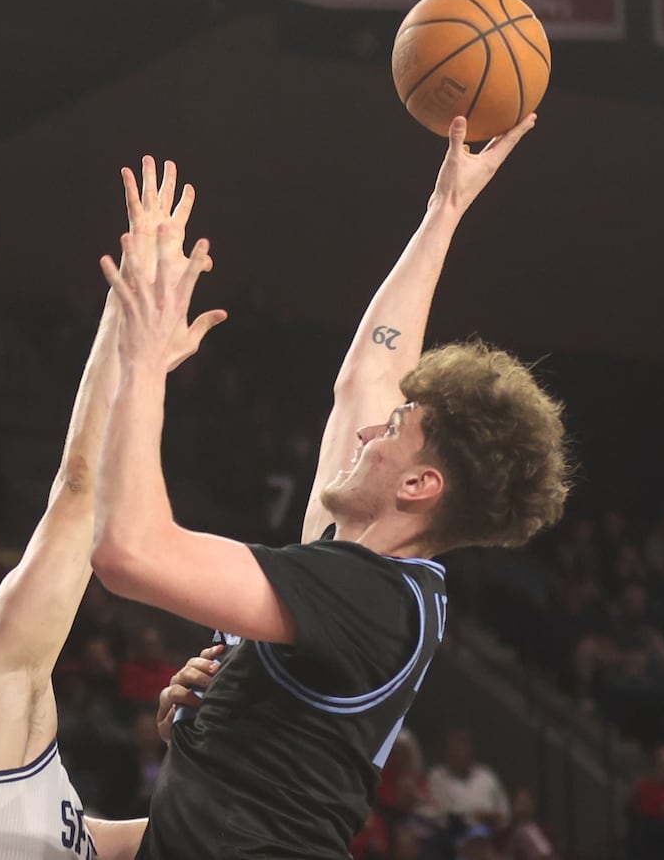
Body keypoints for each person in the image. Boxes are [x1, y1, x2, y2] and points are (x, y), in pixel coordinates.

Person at [91, 118, 571, 859]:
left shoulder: (370, 596)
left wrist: (145, 360)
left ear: (418, 483)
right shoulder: (367, 577)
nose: (366, 431)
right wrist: (445, 208)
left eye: (394, 428)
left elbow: (127, 549)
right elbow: (368, 377)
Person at [0, 160, 222, 859]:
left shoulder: (25, 804)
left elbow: (147, 844)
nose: (6, 628)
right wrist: (133, 318)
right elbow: (78, 486)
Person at [428, 729, 510, 831]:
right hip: (458, 833)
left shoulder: (486, 775)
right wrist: (476, 816)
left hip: (496, 832)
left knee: (525, 828)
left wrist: (497, 818)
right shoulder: (438, 776)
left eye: (463, 747)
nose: (459, 752)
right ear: (447, 751)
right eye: (455, 748)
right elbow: (441, 813)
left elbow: (504, 811)